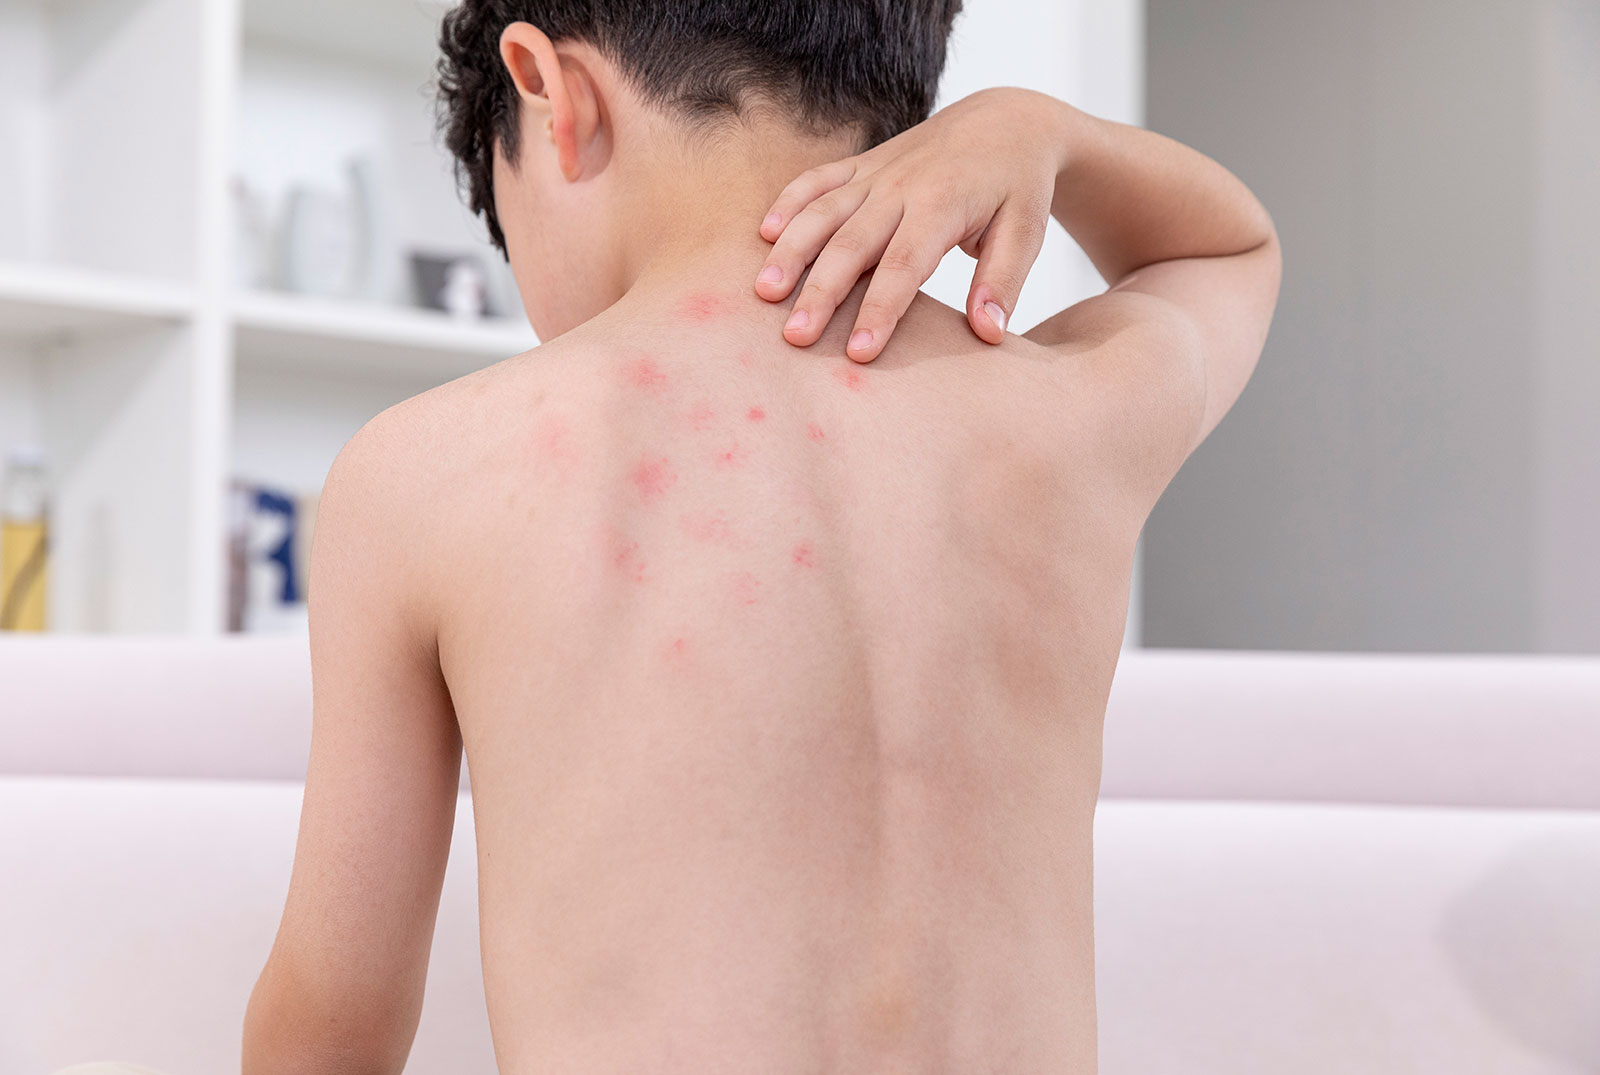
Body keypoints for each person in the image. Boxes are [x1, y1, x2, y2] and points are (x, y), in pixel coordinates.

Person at [241, 2, 1281, 1072]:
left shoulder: (431, 471)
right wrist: (1041, 130)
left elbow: (331, 1025)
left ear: (549, 91)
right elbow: (1230, 250)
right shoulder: (1070, 412)